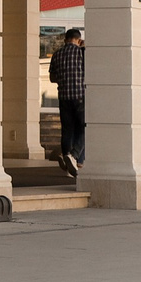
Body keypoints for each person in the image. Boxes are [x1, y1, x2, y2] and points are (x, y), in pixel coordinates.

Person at [52, 26, 87, 177]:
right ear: (78, 40)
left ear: (65, 40)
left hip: (63, 97)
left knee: (67, 130)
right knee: (85, 127)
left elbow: (52, 78)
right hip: (80, 96)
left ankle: (67, 161)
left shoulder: (57, 54)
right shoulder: (82, 53)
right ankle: (73, 156)